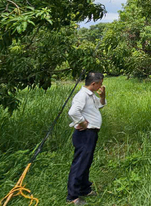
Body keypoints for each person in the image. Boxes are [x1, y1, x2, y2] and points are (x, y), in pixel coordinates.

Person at [66, 72, 106, 205]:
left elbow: (100, 105)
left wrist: (102, 95)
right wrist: (82, 122)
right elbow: (73, 112)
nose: (101, 85)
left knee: (86, 161)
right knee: (80, 163)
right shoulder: (82, 96)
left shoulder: (90, 95)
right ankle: (72, 196)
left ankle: (84, 188)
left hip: (91, 133)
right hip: (84, 134)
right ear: (94, 83)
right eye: (100, 83)